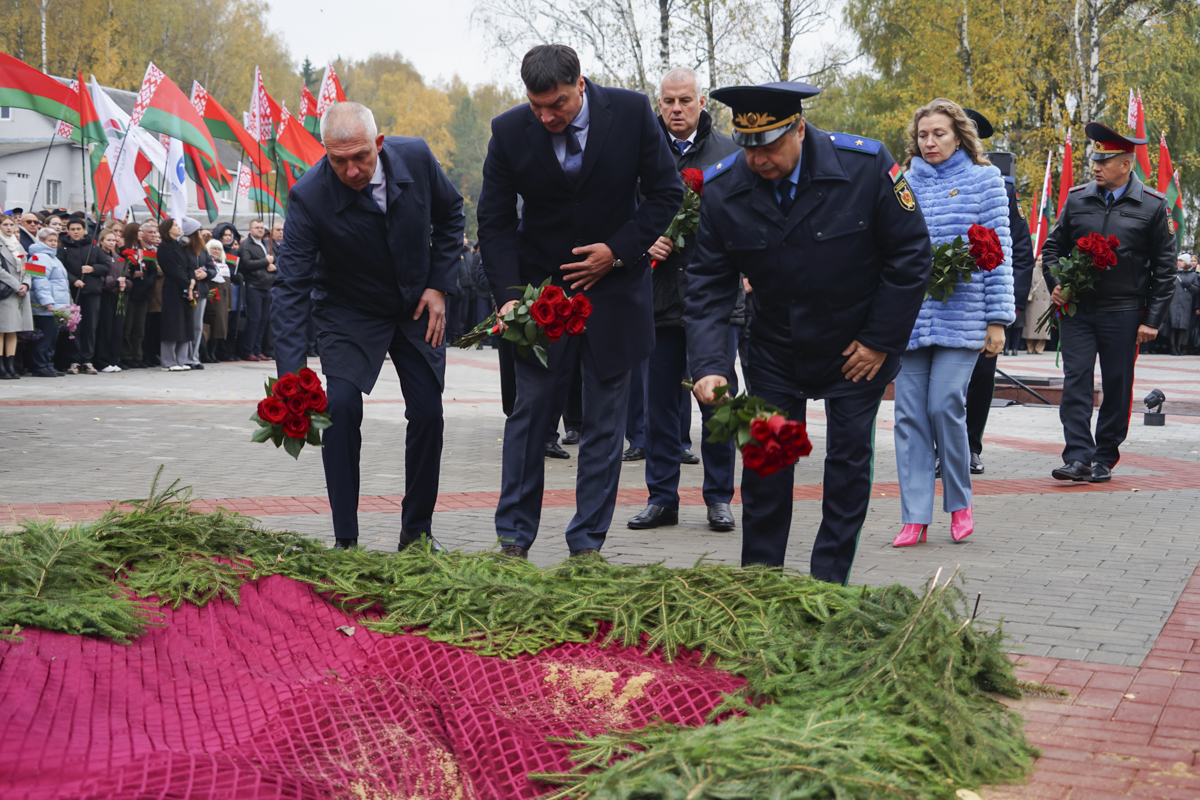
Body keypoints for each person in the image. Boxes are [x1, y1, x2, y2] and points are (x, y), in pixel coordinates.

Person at [685, 81, 932, 584]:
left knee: (846, 466)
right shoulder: (724, 188)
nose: (758, 160)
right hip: (775, 349)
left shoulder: (865, 166)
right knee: (767, 466)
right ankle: (761, 585)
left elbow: (910, 255)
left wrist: (879, 341)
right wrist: (710, 365)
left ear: (799, 129)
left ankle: (828, 588)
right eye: (748, 147)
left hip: (856, 348)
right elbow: (708, 284)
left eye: (770, 146)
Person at [477, 44, 683, 559]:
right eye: (537, 107)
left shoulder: (631, 113)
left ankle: (587, 545)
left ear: (581, 85)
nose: (547, 117)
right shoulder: (508, 131)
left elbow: (666, 193)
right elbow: (495, 221)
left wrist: (617, 251)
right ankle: (513, 539)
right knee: (529, 417)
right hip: (540, 301)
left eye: (559, 105)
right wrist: (508, 299)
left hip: (615, 295)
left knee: (605, 425)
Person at [273, 101, 465, 551]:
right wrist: (291, 379)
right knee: (340, 407)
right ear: (325, 152)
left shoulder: (416, 157)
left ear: (379, 143)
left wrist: (439, 285)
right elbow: (290, 287)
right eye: (338, 161)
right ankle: (346, 539)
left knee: (428, 413)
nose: (352, 170)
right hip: (349, 311)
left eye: (361, 157)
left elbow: (451, 213)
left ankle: (417, 532)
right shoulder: (309, 196)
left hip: (415, 302)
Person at [891, 99, 1014, 548]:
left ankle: (959, 503)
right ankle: (914, 516)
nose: (929, 142)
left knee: (945, 405)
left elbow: (999, 254)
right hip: (910, 319)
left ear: (959, 136)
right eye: (922, 135)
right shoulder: (903, 183)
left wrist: (998, 320)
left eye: (939, 133)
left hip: (963, 318)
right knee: (908, 416)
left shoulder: (986, 180)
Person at [627, 66, 742, 534]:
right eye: (669, 101)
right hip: (655, 299)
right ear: (659, 104)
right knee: (658, 406)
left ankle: (719, 498)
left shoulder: (729, 153)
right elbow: (622, 211)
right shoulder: (640, 150)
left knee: (717, 401)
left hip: (712, 301)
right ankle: (662, 498)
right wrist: (641, 241)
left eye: (685, 100)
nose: (677, 109)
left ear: (701, 102)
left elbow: (746, 218)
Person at [1043, 122, 1175, 483]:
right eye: (1095, 160)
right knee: (1076, 382)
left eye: (1105, 161)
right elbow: (1052, 249)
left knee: (1117, 385)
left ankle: (1104, 457)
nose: (1097, 166)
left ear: (1126, 165)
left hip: (1124, 312)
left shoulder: (1153, 206)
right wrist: (1057, 282)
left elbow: (1165, 271)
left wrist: (1152, 319)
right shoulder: (1077, 198)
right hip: (1077, 311)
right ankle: (1077, 457)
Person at [960, 112, 1036, 474]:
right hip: (939, 302)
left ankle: (970, 447)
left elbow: (1020, 250)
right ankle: (939, 448)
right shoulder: (920, 182)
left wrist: (1010, 306)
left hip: (983, 303)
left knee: (979, 378)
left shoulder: (999, 187)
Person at [58, 217, 110, 375]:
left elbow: (106, 265)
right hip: (73, 293)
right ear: (68, 231)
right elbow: (60, 269)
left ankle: (87, 360)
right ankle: (74, 360)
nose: (75, 232)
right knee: (74, 328)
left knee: (90, 327)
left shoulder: (94, 248)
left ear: (84, 230)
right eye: (72, 229)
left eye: (78, 229)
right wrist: (73, 280)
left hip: (92, 293)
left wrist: (93, 269)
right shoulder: (63, 248)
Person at [155, 217, 197, 372]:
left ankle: (181, 360)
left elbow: (190, 265)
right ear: (168, 229)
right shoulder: (164, 247)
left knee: (185, 324)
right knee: (172, 324)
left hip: (186, 289)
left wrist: (192, 281)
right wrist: (187, 283)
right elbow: (172, 269)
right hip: (173, 289)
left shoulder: (181, 245)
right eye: (175, 225)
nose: (179, 227)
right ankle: (168, 361)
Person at [28, 227, 70, 378]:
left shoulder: (53, 257)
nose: (53, 243)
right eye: (50, 240)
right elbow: (39, 281)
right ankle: (40, 366)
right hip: (46, 306)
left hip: (56, 305)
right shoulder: (37, 257)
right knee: (44, 339)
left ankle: (48, 365)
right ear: (41, 240)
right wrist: (46, 301)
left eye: (55, 240)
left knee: (52, 339)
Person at [121, 221, 158, 369]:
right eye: (139, 231)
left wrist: (148, 282)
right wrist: (131, 275)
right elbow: (122, 268)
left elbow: (153, 269)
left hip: (144, 292)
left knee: (139, 327)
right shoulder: (125, 250)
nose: (142, 233)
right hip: (131, 292)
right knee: (128, 326)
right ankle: (126, 355)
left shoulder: (145, 250)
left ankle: (137, 355)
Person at [0, 214, 33, 379]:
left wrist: (25, 284)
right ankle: (1, 367)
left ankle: (10, 365)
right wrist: (16, 284)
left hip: (19, 292)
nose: (9, 228)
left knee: (13, 329)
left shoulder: (17, 244)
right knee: (1, 329)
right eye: (5, 224)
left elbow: (28, 268)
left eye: (11, 225)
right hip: (5, 292)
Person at [239, 218, 274, 361]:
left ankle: (258, 349)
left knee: (264, 320)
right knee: (254, 319)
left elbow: (275, 259)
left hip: (267, 286)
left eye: (262, 227)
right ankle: (248, 350)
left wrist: (274, 266)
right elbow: (246, 263)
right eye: (257, 227)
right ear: (250, 230)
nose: (260, 229)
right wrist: (265, 261)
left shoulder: (266, 243)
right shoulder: (246, 245)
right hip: (254, 285)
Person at [91, 229, 124, 372]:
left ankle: (112, 359)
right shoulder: (97, 256)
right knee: (105, 328)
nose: (111, 243)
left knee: (116, 328)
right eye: (108, 240)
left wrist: (125, 283)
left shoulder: (118, 257)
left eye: (114, 240)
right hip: (104, 295)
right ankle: (102, 361)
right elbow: (100, 277)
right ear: (101, 241)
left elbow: (126, 275)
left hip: (117, 295)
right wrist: (114, 282)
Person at [186, 223, 217, 370]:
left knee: (198, 326)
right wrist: (192, 274)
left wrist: (206, 274)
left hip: (202, 290)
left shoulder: (203, 250)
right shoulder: (184, 249)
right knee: (188, 324)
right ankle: (185, 356)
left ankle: (194, 357)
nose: (201, 233)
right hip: (188, 290)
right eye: (199, 231)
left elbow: (212, 269)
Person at [204, 239, 233, 361]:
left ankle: (212, 352)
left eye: (219, 249)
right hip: (213, 298)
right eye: (214, 248)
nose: (216, 251)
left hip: (223, 300)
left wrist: (230, 303)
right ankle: (206, 353)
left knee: (219, 327)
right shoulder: (206, 262)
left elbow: (228, 286)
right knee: (210, 326)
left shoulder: (224, 264)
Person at [1169, 254, 1198, 355]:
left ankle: (1179, 347)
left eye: (1181, 261)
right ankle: (1172, 348)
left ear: (1186, 262)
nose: (1178, 262)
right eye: (1178, 261)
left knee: (1182, 326)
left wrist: (1190, 287)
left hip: (1186, 303)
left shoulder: (1193, 275)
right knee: (1173, 325)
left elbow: (1197, 289)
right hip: (1174, 302)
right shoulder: (1173, 273)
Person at [1024, 254, 1052, 353]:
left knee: (1043, 328)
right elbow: (1027, 285)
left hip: (1045, 303)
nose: (1041, 262)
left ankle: (1039, 349)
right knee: (1030, 327)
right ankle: (1030, 348)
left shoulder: (1050, 272)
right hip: (1033, 303)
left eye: (1042, 260)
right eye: (1039, 260)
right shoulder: (1031, 272)